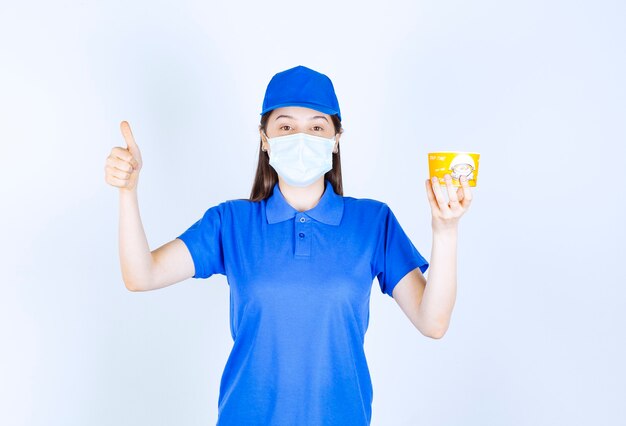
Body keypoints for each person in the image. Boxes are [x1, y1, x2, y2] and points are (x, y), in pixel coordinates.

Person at [104, 65, 473, 425]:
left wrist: (445, 231)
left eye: (316, 127)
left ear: (335, 139)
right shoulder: (231, 223)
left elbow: (433, 321)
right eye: (285, 127)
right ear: (265, 139)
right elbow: (142, 275)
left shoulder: (372, 223)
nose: (301, 137)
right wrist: (127, 193)